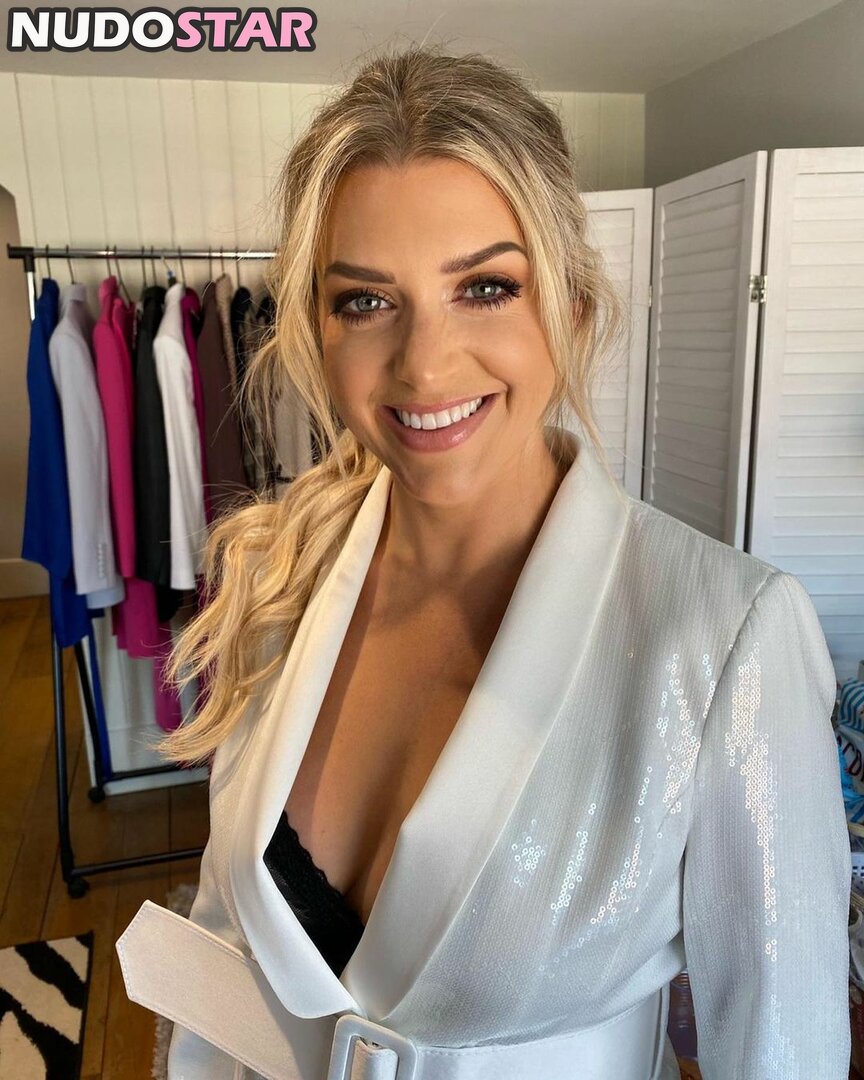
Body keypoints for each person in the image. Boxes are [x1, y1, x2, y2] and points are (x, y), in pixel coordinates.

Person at [116, 44, 851, 1080]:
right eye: (365, 301)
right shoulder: (281, 580)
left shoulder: (722, 641)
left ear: (572, 310)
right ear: (318, 332)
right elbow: (227, 950)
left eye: (487, 287)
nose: (424, 365)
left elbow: (782, 1052)